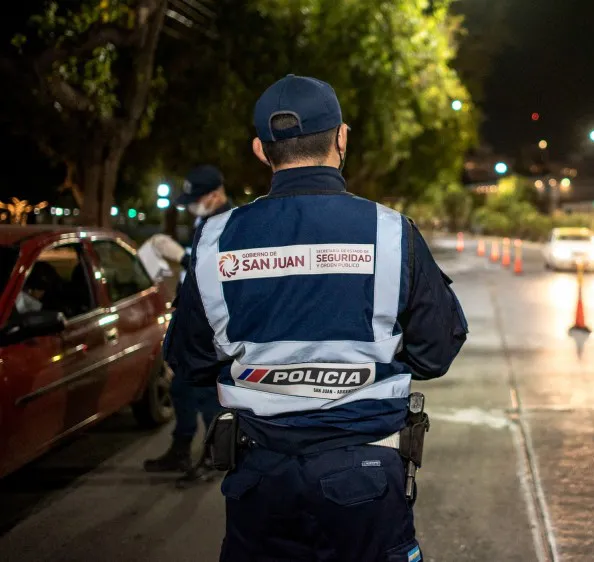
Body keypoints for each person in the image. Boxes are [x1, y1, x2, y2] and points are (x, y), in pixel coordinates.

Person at [164, 75, 467, 561]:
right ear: (342, 138)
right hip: (366, 473)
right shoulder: (391, 233)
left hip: (259, 479)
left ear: (262, 151)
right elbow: (435, 351)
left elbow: (190, 359)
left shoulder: (214, 241)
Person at [144, 165, 234, 486]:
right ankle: (180, 448)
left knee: (209, 393)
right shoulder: (204, 219)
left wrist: (181, 257)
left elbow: (216, 269)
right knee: (181, 386)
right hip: (192, 316)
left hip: (210, 323)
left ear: (214, 195)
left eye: (196, 198)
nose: (191, 205)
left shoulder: (229, 222)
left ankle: (214, 457)